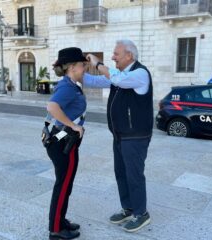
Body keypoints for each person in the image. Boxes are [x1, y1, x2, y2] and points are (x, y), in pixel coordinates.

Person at [84, 39, 153, 233]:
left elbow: (117, 79)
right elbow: (94, 81)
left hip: (135, 136)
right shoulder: (119, 75)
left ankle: (141, 213)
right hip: (120, 135)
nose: (113, 57)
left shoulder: (140, 73)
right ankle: (128, 208)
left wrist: (98, 63)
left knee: (134, 175)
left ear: (129, 55)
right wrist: (73, 69)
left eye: (116, 54)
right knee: (121, 174)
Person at [46, 47, 87, 240]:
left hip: (64, 142)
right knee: (62, 185)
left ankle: (60, 220)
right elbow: (52, 106)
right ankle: (56, 229)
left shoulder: (71, 84)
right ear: (72, 67)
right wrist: (73, 126)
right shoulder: (67, 87)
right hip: (63, 143)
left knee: (66, 184)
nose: (84, 68)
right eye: (82, 65)